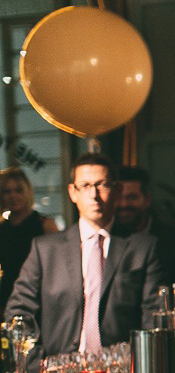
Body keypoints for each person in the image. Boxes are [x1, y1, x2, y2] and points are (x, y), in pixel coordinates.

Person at [6, 153, 163, 359]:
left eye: (102, 185)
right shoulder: (45, 250)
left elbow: (154, 318)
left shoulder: (143, 248)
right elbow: (18, 313)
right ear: (73, 192)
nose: (94, 195)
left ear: (117, 190)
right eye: (86, 186)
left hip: (121, 372)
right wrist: (36, 363)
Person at [113, 165, 175, 285]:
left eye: (132, 198)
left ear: (147, 199)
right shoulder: (105, 241)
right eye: (118, 198)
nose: (124, 204)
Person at [0, 167, 58, 311]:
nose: (13, 196)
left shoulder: (44, 225)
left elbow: (58, 267)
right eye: (7, 191)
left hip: (40, 296)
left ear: (27, 192)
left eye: (18, 190)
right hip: (7, 296)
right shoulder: (2, 228)